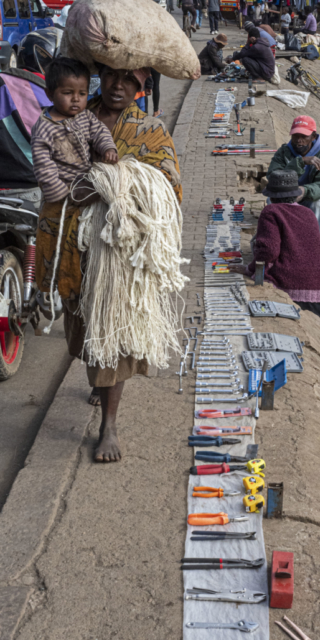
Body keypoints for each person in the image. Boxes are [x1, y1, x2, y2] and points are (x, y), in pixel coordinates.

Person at [35, 66, 183, 463]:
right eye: (113, 77)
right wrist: (78, 188)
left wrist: (117, 182)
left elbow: (169, 184)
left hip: (120, 257)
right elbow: (48, 171)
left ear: (142, 85)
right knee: (84, 332)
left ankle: (109, 427)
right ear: (100, 75)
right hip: (77, 248)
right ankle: (100, 382)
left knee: (113, 338)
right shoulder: (72, 117)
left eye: (129, 80)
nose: (119, 86)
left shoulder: (150, 130)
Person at [227, 169, 320, 333]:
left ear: (272, 197)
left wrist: (250, 270)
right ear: (295, 196)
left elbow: (268, 251)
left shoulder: (271, 211)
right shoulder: (308, 213)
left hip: (297, 282)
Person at [31, 58, 118, 204]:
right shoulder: (44, 129)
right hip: (65, 191)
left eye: (82, 93)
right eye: (68, 93)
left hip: (88, 180)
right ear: (50, 94)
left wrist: (108, 148)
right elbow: (43, 167)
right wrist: (64, 196)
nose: (76, 99)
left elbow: (99, 131)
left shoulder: (85, 116)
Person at [267, 115, 320, 232]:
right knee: (272, 197)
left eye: (304, 136)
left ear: (313, 136)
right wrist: (300, 162)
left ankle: (313, 239)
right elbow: (273, 177)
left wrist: (304, 191)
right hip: (286, 196)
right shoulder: (283, 152)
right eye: (295, 136)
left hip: (308, 197)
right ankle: (277, 234)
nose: (298, 140)